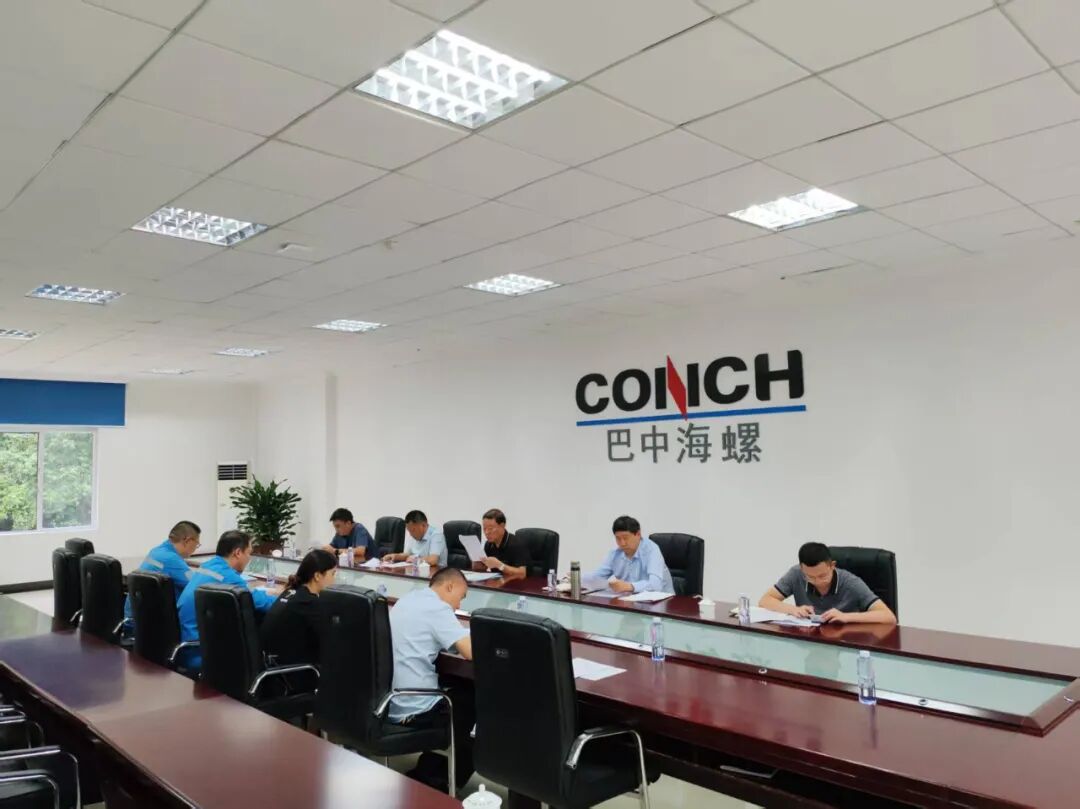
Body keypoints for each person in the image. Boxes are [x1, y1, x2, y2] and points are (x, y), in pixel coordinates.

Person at [388, 566, 474, 791]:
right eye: (461, 597)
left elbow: (443, 640)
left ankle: (429, 769)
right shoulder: (438, 609)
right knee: (475, 700)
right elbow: (470, 651)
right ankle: (444, 782)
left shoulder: (408, 599)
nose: (458, 605)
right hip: (416, 707)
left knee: (460, 689)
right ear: (449, 586)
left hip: (390, 701)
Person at [176, 530, 281, 671]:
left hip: (186, 645)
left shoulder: (208, 566)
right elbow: (262, 603)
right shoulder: (227, 576)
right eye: (249, 553)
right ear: (238, 553)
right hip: (200, 652)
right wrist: (285, 599)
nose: (249, 558)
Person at [758, 542, 897, 625]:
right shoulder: (796, 574)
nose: (817, 581)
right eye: (810, 577)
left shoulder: (851, 583)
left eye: (822, 576)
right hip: (811, 640)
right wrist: (793, 610)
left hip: (844, 643)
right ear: (802, 569)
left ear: (832, 566)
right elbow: (765, 600)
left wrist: (845, 617)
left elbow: (888, 617)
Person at [261, 548, 338, 668]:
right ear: (317, 576)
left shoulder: (290, 592)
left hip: (272, 666)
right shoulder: (309, 603)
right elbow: (330, 639)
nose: (335, 579)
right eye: (333, 574)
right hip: (295, 671)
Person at [122, 520, 201, 626]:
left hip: (135, 619)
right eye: (196, 544)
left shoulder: (156, 551)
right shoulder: (172, 559)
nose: (195, 548)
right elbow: (196, 586)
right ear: (187, 540)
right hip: (152, 624)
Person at [587, 515, 674, 594]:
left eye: (626, 538)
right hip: (631, 600)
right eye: (618, 538)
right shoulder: (615, 553)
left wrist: (629, 586)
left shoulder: (652, 550)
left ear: (638, 534)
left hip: (663, 602)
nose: (622, 543)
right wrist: (581, 580)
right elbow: (596, 577)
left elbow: (656, 585)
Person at [473, 508, 528, 576]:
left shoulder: (516, 544)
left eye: (490, 528)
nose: (487, 532)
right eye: (484, 529)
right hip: (498, 580)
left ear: (502, 526)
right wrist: (477, 564)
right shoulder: (488, 544)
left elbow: (522, 573)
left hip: (518, 582)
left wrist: (499, 565)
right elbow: (485, 567)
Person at [382, 510, 447, 567]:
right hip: (417, 570)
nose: (411, 534)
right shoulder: (414, 536)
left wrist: (415, 560)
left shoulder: (436, 535)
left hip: (436, 573)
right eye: (409, 531)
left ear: (423, 525)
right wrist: (395, 556)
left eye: (413, 530)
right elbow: (407, 554)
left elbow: (433, 560)